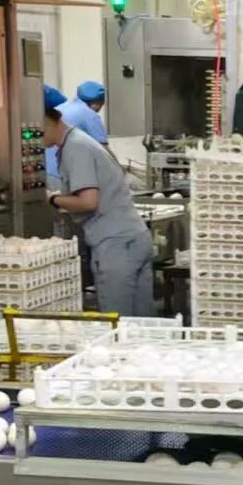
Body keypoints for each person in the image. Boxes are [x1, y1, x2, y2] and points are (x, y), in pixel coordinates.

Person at [45, 88, 154, 317]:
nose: (32, 138)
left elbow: (88, 202)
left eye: (34, 132)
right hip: (134, 238)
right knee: (141, 325)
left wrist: (53, 199)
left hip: (116, 246)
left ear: (49, 121)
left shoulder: (75, 147)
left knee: (117, 322)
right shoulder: (80, 141)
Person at [43, 82, 109, 183]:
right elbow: (104, 151)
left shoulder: (62, 107)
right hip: (60, 174)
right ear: (98, 103)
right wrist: (119, 169)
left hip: (45, 169)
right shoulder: (90, 114)